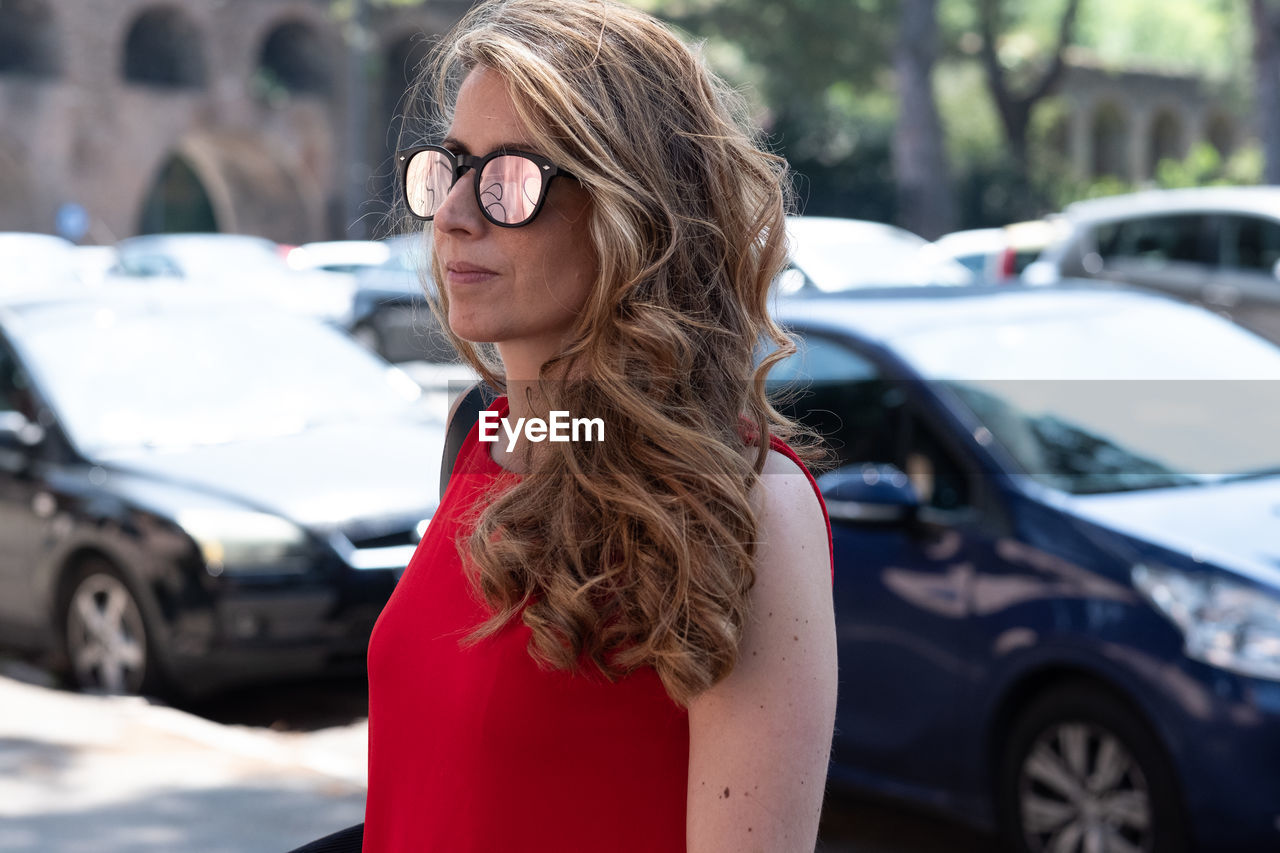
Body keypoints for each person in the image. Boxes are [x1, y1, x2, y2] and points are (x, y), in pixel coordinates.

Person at [363, 1, 838, 850]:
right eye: (452, 167)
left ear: (633, 212)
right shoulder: (487, 436)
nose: (453, 215)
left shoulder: (752, 508)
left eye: (509, 180)